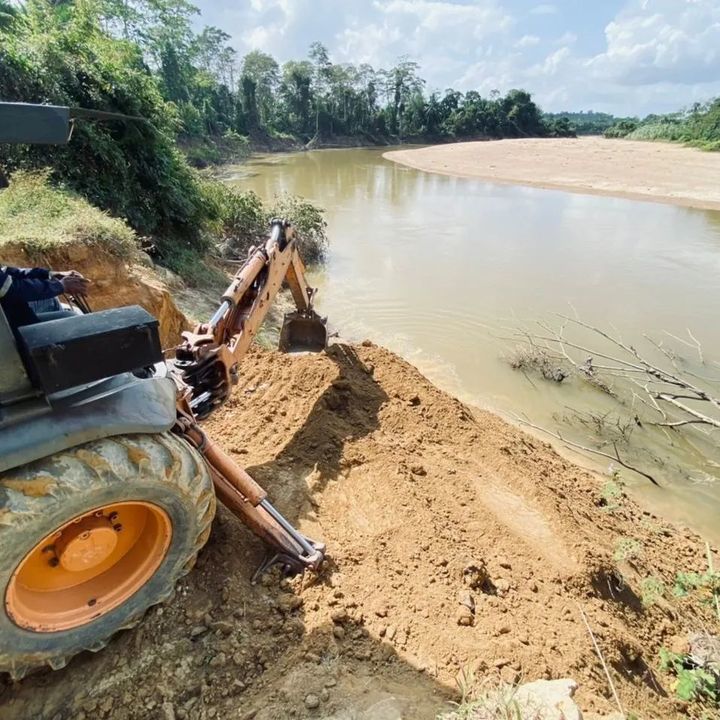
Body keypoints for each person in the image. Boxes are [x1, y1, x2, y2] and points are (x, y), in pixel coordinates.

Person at [0, 265, 90, 334]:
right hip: (7, 329)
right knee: (73, 320)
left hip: (10, 311)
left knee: (51, 301)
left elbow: (6, 271)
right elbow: (12, 289)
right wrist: (60, 286)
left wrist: (50, 275)